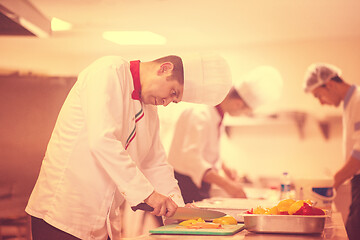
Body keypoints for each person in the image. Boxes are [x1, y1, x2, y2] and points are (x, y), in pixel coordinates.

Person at [25, 53, 232, 240]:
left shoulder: (150, 111)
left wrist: (176, 206)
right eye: (172, 92)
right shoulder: (108, 71)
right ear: (164, 68)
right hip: (61, 216)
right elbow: (102, 140)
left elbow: (155, 163)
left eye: (174, 100)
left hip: (101, 222)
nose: (167, 102)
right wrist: (149, 195)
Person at [167, 66, 283, 203]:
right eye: (246, 112)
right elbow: (191, 159)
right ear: (238, 104)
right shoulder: (200, 114)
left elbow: (205, 150)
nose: (243, 115)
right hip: (184, 186)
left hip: (197, 185)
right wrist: (227, 185)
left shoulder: (217, 114)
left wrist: (224, 166)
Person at [303, 63, 360, 240]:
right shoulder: (351, 103)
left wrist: (330, 184)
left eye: (319, 95)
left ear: (329, 84)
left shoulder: (358, 101)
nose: (320, 102)